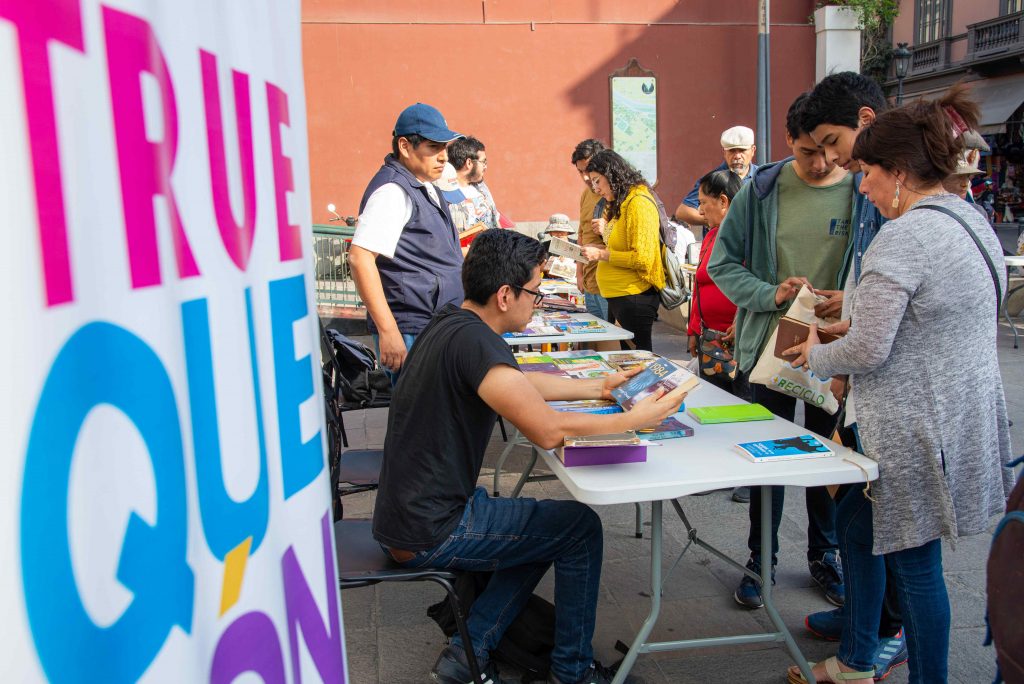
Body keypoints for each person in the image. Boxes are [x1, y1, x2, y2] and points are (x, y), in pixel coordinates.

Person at [371, 229, 687, 684]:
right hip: (430, 527)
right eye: (536, 293)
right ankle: (571, 673)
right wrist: (637, 416)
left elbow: (516, 383)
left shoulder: (453, 322)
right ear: (505, 295)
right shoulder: (477, 342)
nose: (538, 302)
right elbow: (547, 429)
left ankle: (468, 652)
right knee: (578, 529)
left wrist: (599, 387)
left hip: (410, 514)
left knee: (543, 528)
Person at [783, 86, 1014, 684]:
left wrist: (815, 350)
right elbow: (932, 317)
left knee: (916, 570)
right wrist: (853, 323)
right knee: (878, 539)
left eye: (866, 172)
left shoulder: (904, 235)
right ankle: (863, 654)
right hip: (957, 416)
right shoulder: (970, 219)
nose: (861, 186)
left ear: (901, 172)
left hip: (912, 427)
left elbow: (868, 349)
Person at [708, 93, 857, 612]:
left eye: (825, 150)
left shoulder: (863, 191)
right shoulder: (763, 188)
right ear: (786, 142)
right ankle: (759, 559)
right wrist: (769, 292)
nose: (818, 162)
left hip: (834, 345)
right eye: (804, 150)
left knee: (826, 458)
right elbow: (722, 265)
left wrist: (851, 301)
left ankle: (826, 555)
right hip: (771, 342)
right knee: (768, 457)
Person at [799, 72, 911, 678]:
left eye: (831, 142)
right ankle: (865, 623)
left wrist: (830, 352)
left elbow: (891, 323)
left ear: (866, 122)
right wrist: (850, 305)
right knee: (855, 516)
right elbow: (873, 285)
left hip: (897, 401)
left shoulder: (909, 207)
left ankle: (882, 634)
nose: (830, 160)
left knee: (891, 536)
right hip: (869, 384)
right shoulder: (876, 192)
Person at [349, 103, 464, 380]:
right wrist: (388, 331)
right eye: (433, 147)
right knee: (421, 416)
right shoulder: (392, 190)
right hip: (413, 327)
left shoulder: (422, 184)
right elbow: (360, 257)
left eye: (445, 147)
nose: (443, 157)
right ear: (405, 145)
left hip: (433, 323)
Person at [580, 150, 664, 352]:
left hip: (634, 297)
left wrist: (601, 254)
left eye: (598, 181)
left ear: (612, 174)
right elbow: (621, 247)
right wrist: (600, 248)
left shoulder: (638, 203)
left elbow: (642, 259)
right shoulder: (623, 202)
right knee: (625, 361)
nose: (596, 189)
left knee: (637, 359)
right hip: (620, 297)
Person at [686, 169, 742, 391]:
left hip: (738, 342)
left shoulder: (747, 238)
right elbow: (699, 287)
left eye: (703, 203)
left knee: (740, 409)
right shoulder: (710, 236)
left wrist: (741, 322)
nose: (699, 211)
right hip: (709, 339)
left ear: (723, 201)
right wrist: (693, 331)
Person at [674, 125, 758, 228]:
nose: (737, 156)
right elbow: (683, 212)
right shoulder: (712, 180)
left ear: (753, 150)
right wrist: (715, 220)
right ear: (724, 152)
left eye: (742, 150)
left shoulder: (762, 177)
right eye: (732, 151)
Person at [571, 139, 611, 321]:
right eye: (580, 172)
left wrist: (607, 230)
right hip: (588, 282)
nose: (585, 177)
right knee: (598, 341)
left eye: (588, 170)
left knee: (615, 340)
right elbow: (582, 234)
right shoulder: (586, 194)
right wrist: (579, 273)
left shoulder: (614, 194)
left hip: (608, 283)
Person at [443, 136, 501, 233]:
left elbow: (496, 220)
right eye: (483, 162)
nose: (485, 167)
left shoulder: (482, 188)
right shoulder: (445, 192)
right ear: (469, 163)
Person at [540, 213, 578, 279]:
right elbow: (537, 267)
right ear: (550, 233)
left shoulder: (577, 244)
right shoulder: (543, 246)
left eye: (563, 231)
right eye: (555, 231)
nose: (559, 233)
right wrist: (546, 268)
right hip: (550, 281)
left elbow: (584, 266)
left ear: (568, 232)